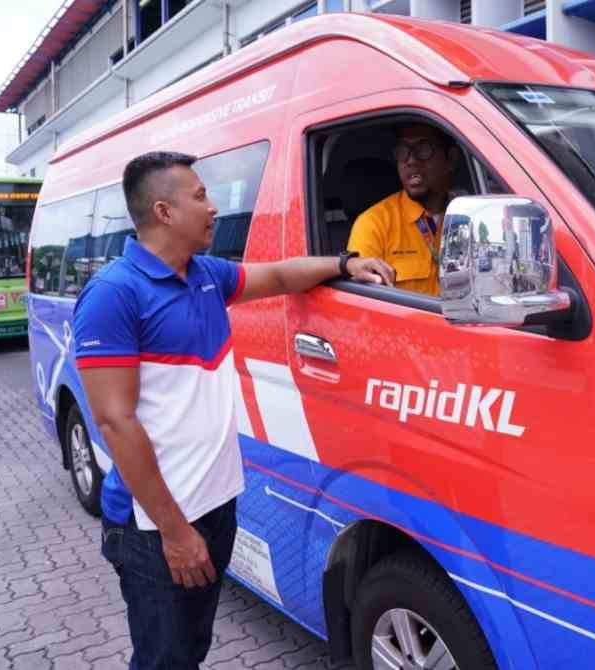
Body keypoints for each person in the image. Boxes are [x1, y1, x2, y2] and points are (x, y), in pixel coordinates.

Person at [72, 151, 393, 670]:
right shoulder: (114, 294)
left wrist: (344, 264)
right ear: (164, 211)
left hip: (215, 505)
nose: (214, 207)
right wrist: (175, 533)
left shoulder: (204, 274)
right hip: (155, 527)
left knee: (190, 648)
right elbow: (115, 421)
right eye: (199, 196)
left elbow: (281, 276)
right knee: (163, 659)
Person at [347, 122, 460, 296]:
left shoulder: (468, 216)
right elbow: (363, 307)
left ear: (450, 159)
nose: (411, 159)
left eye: (423, 149)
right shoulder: (374, 224)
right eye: (403, 151)